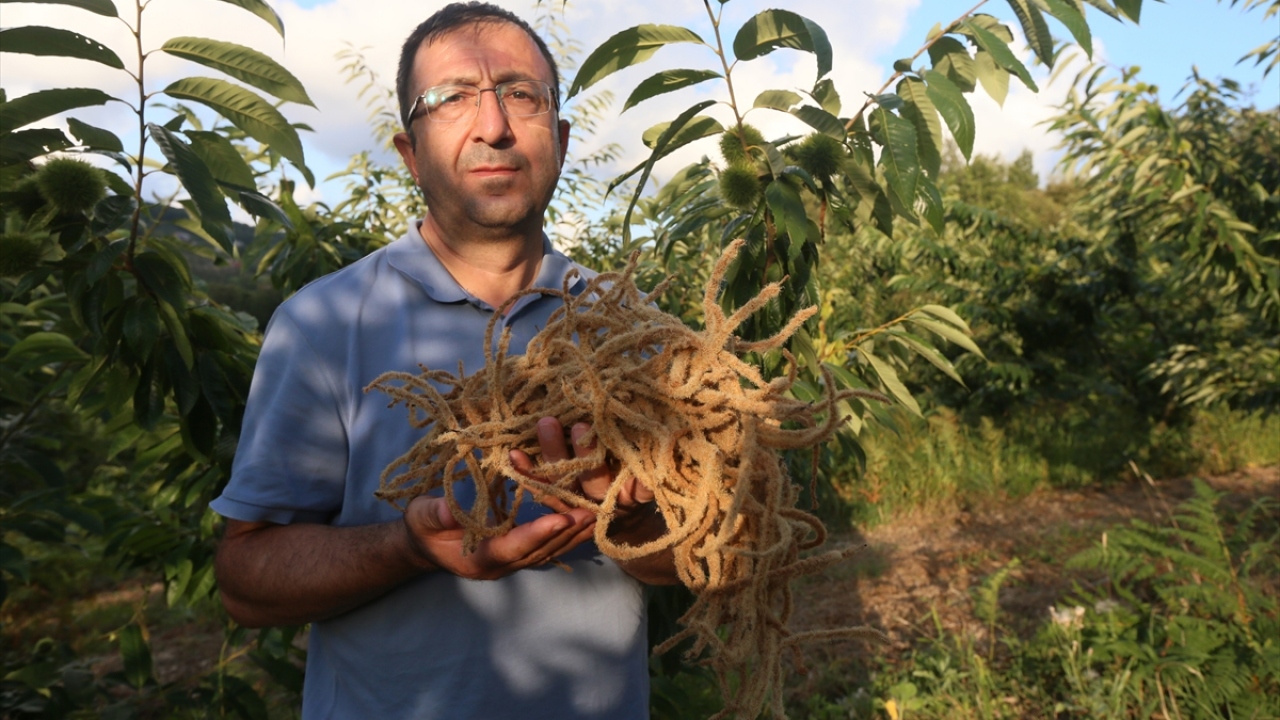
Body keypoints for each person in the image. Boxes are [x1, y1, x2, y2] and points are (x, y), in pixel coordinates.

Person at [211, 3, 676, 718]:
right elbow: (244, 581)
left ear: (559, 137)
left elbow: (702, 560)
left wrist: (630, 522)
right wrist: (409, 547)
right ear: (409, 152)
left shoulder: (634, 329)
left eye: (522, 94)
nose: (493, 126)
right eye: (452, 98)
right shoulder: (322, 324)